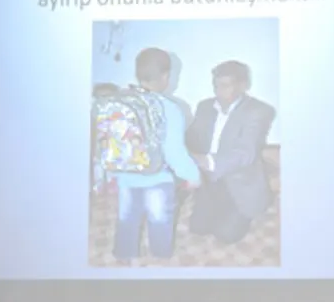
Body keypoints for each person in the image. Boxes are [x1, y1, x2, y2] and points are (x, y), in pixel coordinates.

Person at [112, 48, 201, 263]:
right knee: (160, 220)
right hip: (158, 179)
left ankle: (125, 254)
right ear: (165, 76)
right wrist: (192, 175)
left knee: (127, 218)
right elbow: (175, 152)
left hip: (126, 176)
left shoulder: (119, 102)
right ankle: (160, 256)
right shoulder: (169, 108)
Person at [186, 60, 276, 243]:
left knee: (226, 235)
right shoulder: (205, 107)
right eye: (216, 86)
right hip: (210, 180)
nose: (219, 91)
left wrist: (205, 161)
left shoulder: (259, 111)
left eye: (225, 85)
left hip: (240, 182)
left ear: (243, 86)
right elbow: (192, 137)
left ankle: (250, 207)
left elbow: (245, 153)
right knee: (198, 228)